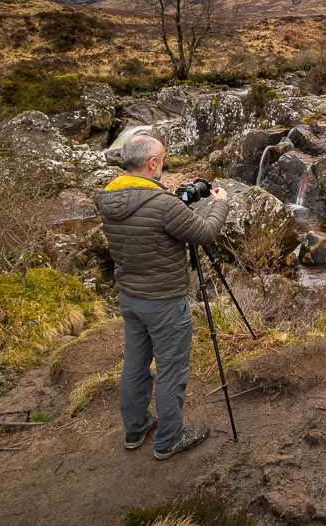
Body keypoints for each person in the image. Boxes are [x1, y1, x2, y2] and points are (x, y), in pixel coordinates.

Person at [95, 133, 229, 460]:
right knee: (171, 370)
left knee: (135, 364)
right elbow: (206, 232)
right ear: (153, 163)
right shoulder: (162, 204)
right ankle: (169, 438)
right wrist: (219, 203)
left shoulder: (110, 198)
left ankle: (136, 427)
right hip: (165, 301)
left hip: (130, 297)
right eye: (163, 160)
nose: (163, 165)